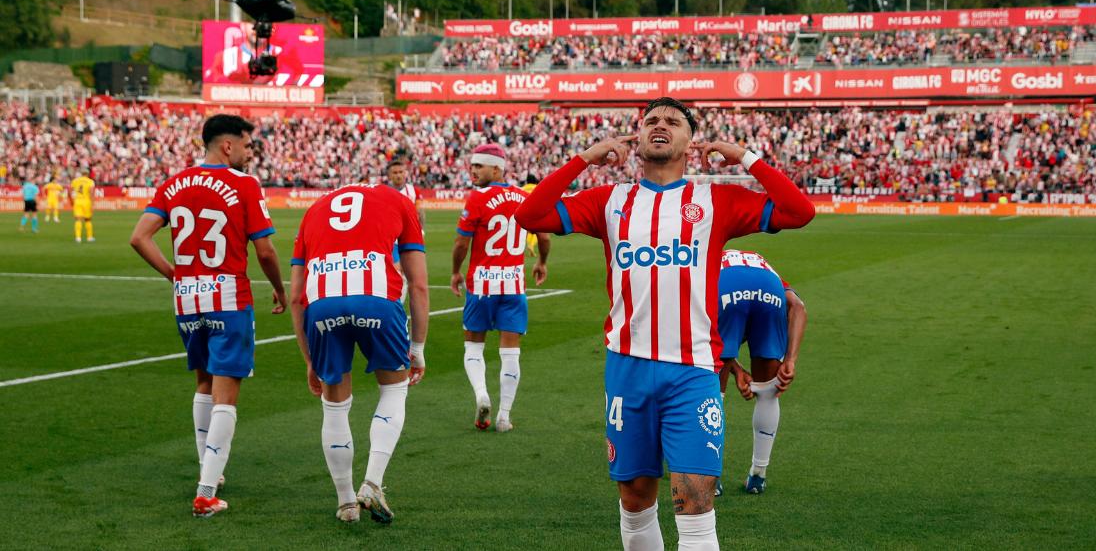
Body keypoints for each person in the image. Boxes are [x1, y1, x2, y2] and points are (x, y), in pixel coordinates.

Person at [515, 97, 816, 551]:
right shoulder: (610, 200)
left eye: (673, 121)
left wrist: (744, 157)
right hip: (627, 371)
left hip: (692, 373)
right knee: (635, 499)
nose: (660, 125)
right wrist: (585, 158)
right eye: (651, 120)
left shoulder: (715, 201)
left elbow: (799, 211)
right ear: (637, 139)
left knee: (695, 502)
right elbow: (529, 216)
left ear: (690, 143)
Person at [128, 114, 288, 518]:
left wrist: (174, 274)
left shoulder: (174, 182)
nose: (251, 154)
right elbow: (265, 250)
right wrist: (280, 287)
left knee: (203, 381)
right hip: (228, 297)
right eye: (247, 146)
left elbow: (139, 237)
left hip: (187, 299)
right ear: (227, 145)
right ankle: (205, 493)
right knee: (226, 392)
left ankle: (208, 471)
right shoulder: (244, 184)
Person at [289, 182, 429, 523]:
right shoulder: (399, 200)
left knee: (334, 407)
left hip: (322, 304)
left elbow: (295, 297)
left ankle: (346, 504)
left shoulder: (314, 209)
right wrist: (418, 348)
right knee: (394, 390)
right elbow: (419, 285)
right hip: (377, 300)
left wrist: (309, 359)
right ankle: (373, 482)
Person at [450, 144, 550, 432]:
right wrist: (541, 262)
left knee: (473, 345)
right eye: (472, 165)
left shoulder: (478, 198)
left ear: (497, 169)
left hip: (482, 284)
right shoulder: (524, 197)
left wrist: (455, 271)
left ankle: (482, 394)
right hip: (514, 285)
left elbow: (461, 243)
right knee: (511, 352)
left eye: (478, 166)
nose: (473, 171)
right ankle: (504, 416)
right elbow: (544, 237)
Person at [713, 249, 806, 496]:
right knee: (768, 391)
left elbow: (705, 331)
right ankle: (758, 476)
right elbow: (798, 307)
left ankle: (711, 477)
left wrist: (731, 368)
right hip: (768, 289)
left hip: (725, 286)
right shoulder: (763, 267)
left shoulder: (706, 260)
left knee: (711, 392)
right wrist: (790, 360)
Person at [70, 169, 96, 243]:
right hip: (86, 201)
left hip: (77, 201)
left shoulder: (75, 181)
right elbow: (91, 193)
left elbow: (70, 191)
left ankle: (78, 238)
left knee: (78, 219)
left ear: (81, 173)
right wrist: (92, 204)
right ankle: (89, 237)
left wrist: (71, 201)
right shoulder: (90, 181)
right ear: (88, 174)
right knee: (88, 219)